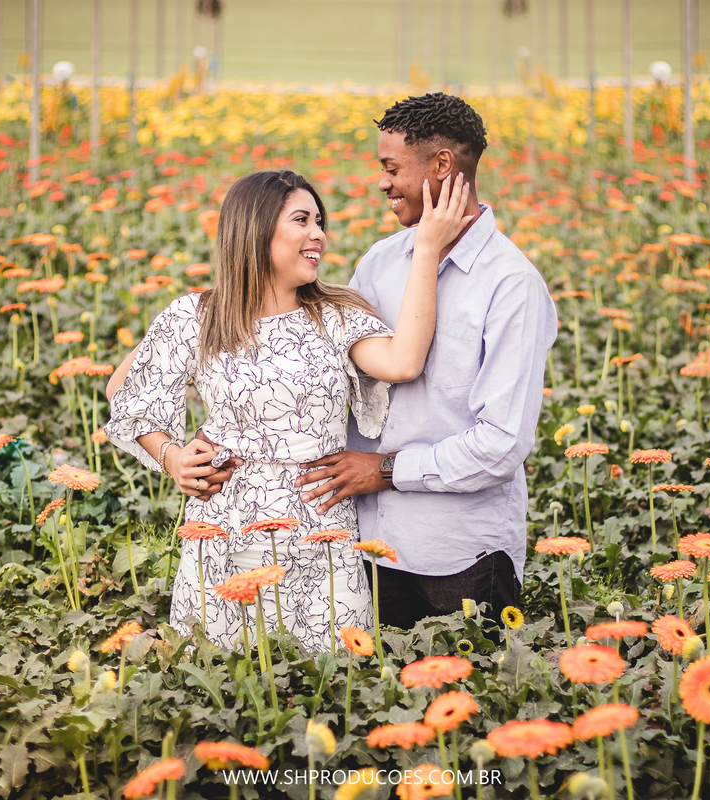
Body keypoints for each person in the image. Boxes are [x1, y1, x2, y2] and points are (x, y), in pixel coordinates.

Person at [103, 169, 472, 651]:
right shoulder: (197, 316)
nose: (318, 234)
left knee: (334, 673)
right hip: (225, 529)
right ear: (255, 228)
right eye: (302, 220)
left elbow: (403, 363)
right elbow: (125, 391)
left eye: (319, 221)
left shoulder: (335, 315)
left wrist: (426, 249)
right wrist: (172, 458)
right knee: (226, 674)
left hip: (321, 529)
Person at [294, 93, 558, 629]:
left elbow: (502, 445)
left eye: (393, 169)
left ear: (441, 165)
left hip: (460, 554)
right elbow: (336, 376)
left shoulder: (512, 285)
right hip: (369, 545)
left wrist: (386, 470)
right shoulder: (381, 261)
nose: (383, 183)